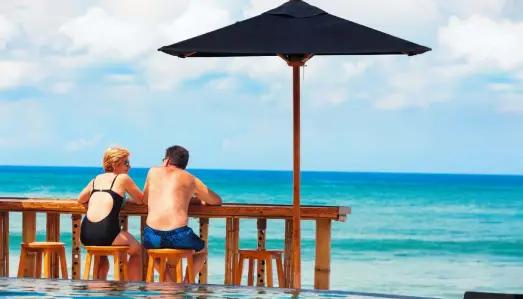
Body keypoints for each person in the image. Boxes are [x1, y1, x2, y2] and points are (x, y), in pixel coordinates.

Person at [143, 145, 222, 282]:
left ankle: (169, 282)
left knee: (150, 251)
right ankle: (186, 283)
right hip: (178, 235)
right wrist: (192, 200)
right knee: (203, 251)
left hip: (152, 235)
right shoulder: (190, 179)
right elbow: (216, 201)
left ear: (167, 160)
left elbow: (145, 199)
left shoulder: (153, 172)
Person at [77, 146, 144, 281]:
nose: (129, 166)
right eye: (126, 163)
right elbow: (140, 200)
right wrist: (124, 200)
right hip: (106, 235)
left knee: (101, 254)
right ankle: (133, 287)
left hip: (86, 234)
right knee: (138, 251)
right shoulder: (123, 178)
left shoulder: (96, 179)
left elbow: (81, 199)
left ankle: (99, 287)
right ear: (115, 164)